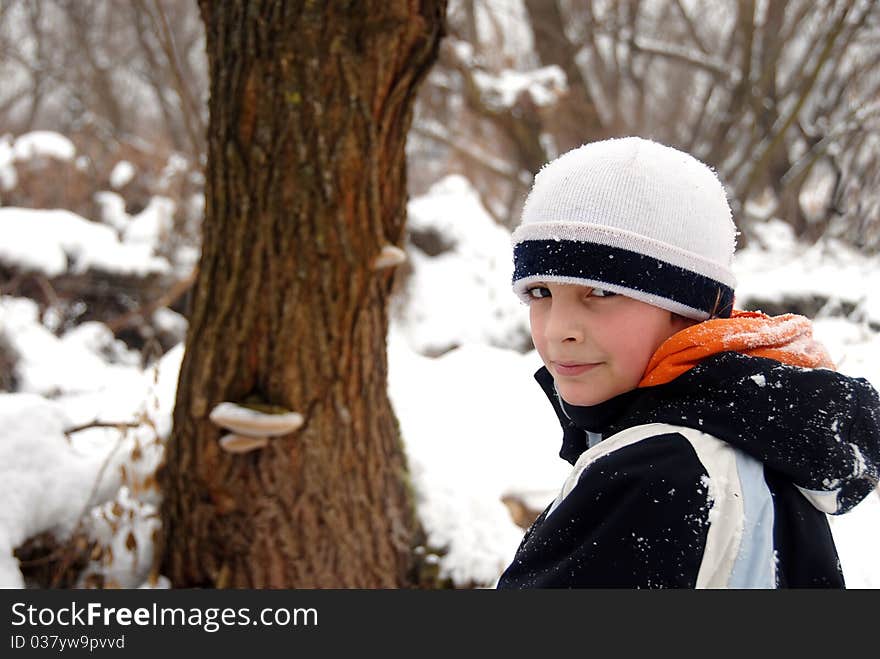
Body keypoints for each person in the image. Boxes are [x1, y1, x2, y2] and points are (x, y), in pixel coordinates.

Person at [495, 137, 880, 588]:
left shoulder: (657, 474)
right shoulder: (751, 438)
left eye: (599, 292)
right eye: (540, 293)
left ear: (688, 309)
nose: (557, 328)